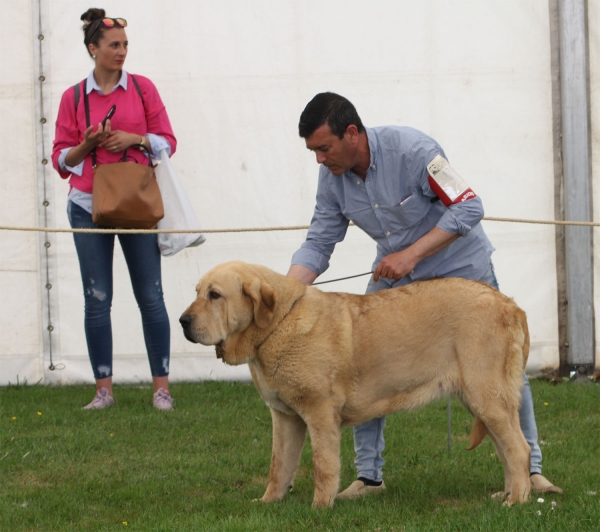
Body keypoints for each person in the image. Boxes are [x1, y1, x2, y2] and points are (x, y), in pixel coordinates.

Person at [287, 92, 562, 498]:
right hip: (396, 276)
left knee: (501, 369)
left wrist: (411, 255)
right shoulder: (331, 179)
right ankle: (369, 477)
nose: (319, 160)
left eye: (323, 149)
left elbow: (469, 207)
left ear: (351, 133)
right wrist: (284, 296)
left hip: (461, 268)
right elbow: (319, 242)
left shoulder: (414, 149)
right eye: (313, 151)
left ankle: (532, 469)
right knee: (360, 360)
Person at [51, 8, 177, 410]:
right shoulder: (73, 97)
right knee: (97, 297)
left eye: (125, 45)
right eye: (114, 45)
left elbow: (168, 142)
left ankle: (162, 389)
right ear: (93, 49)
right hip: (87, 205)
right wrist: (88, 144)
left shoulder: (142, 89)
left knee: (151, 295)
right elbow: (59, 160)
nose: (122, 52)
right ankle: (103, 390)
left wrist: (135, 139)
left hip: (138, 204)